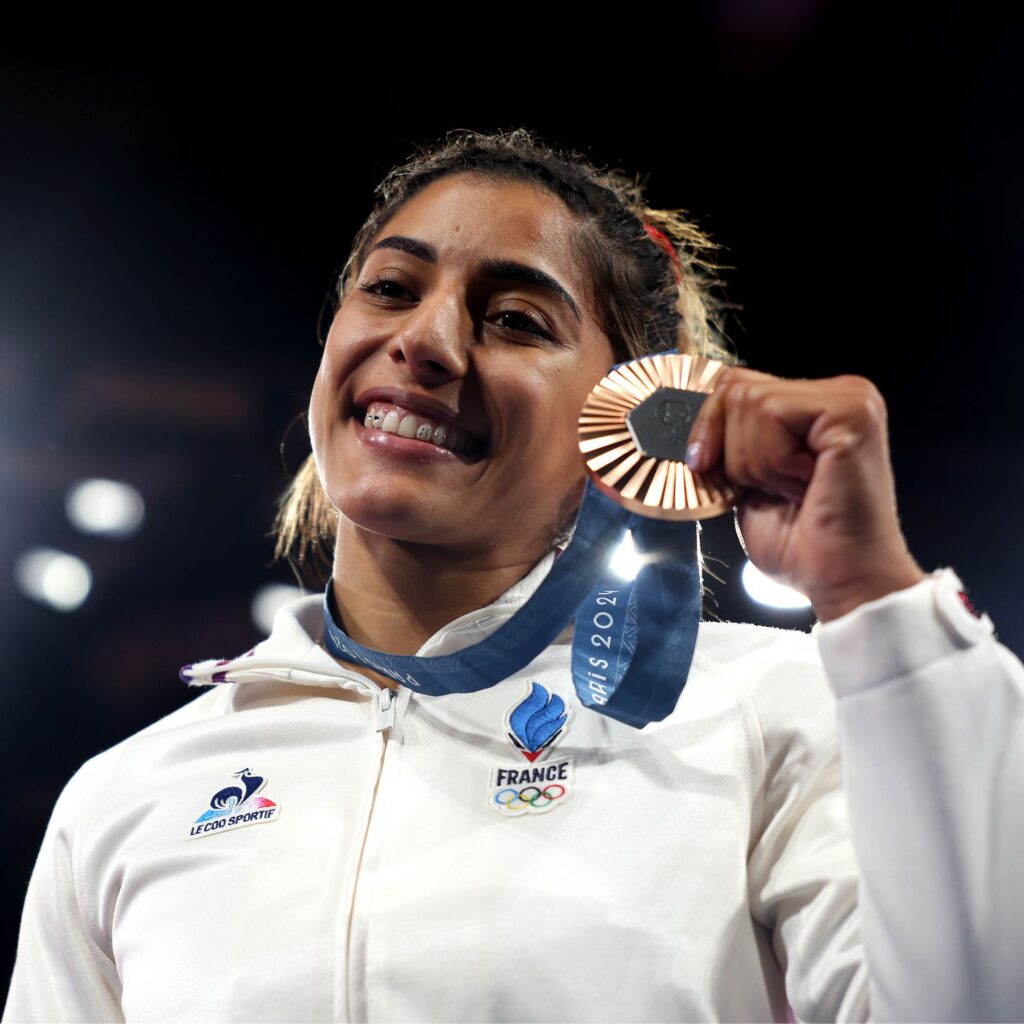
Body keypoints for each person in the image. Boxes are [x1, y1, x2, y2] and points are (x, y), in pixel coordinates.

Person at [4, 127, 1023, 1023]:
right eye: (391, 288)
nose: (426, 340)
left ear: (635, 417)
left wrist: (876, 602)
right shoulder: (130, 795)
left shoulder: (765, 714)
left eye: (515, 320)